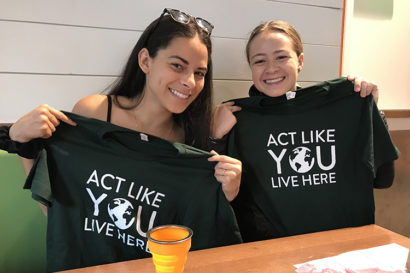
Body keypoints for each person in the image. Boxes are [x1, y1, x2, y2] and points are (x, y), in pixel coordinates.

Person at [3, 9, 243, 272]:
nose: (189, 82)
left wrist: (226, 196)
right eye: (177, 65)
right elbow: (59, 211)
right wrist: (22, 142)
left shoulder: (191, 144)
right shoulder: (94, 113)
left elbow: (192, 242)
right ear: (145, 60)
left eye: (199, 73)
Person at [210, 20, 398, 242]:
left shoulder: (339, 109)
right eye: (260, 61)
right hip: (270, 252)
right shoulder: (235, 118)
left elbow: (383, 180)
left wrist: (371, 113)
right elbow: (213, 200)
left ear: (300, 61)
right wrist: (215, 138)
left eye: (281, 57)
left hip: (338, 249)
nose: (271, 68)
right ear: (251, 67)